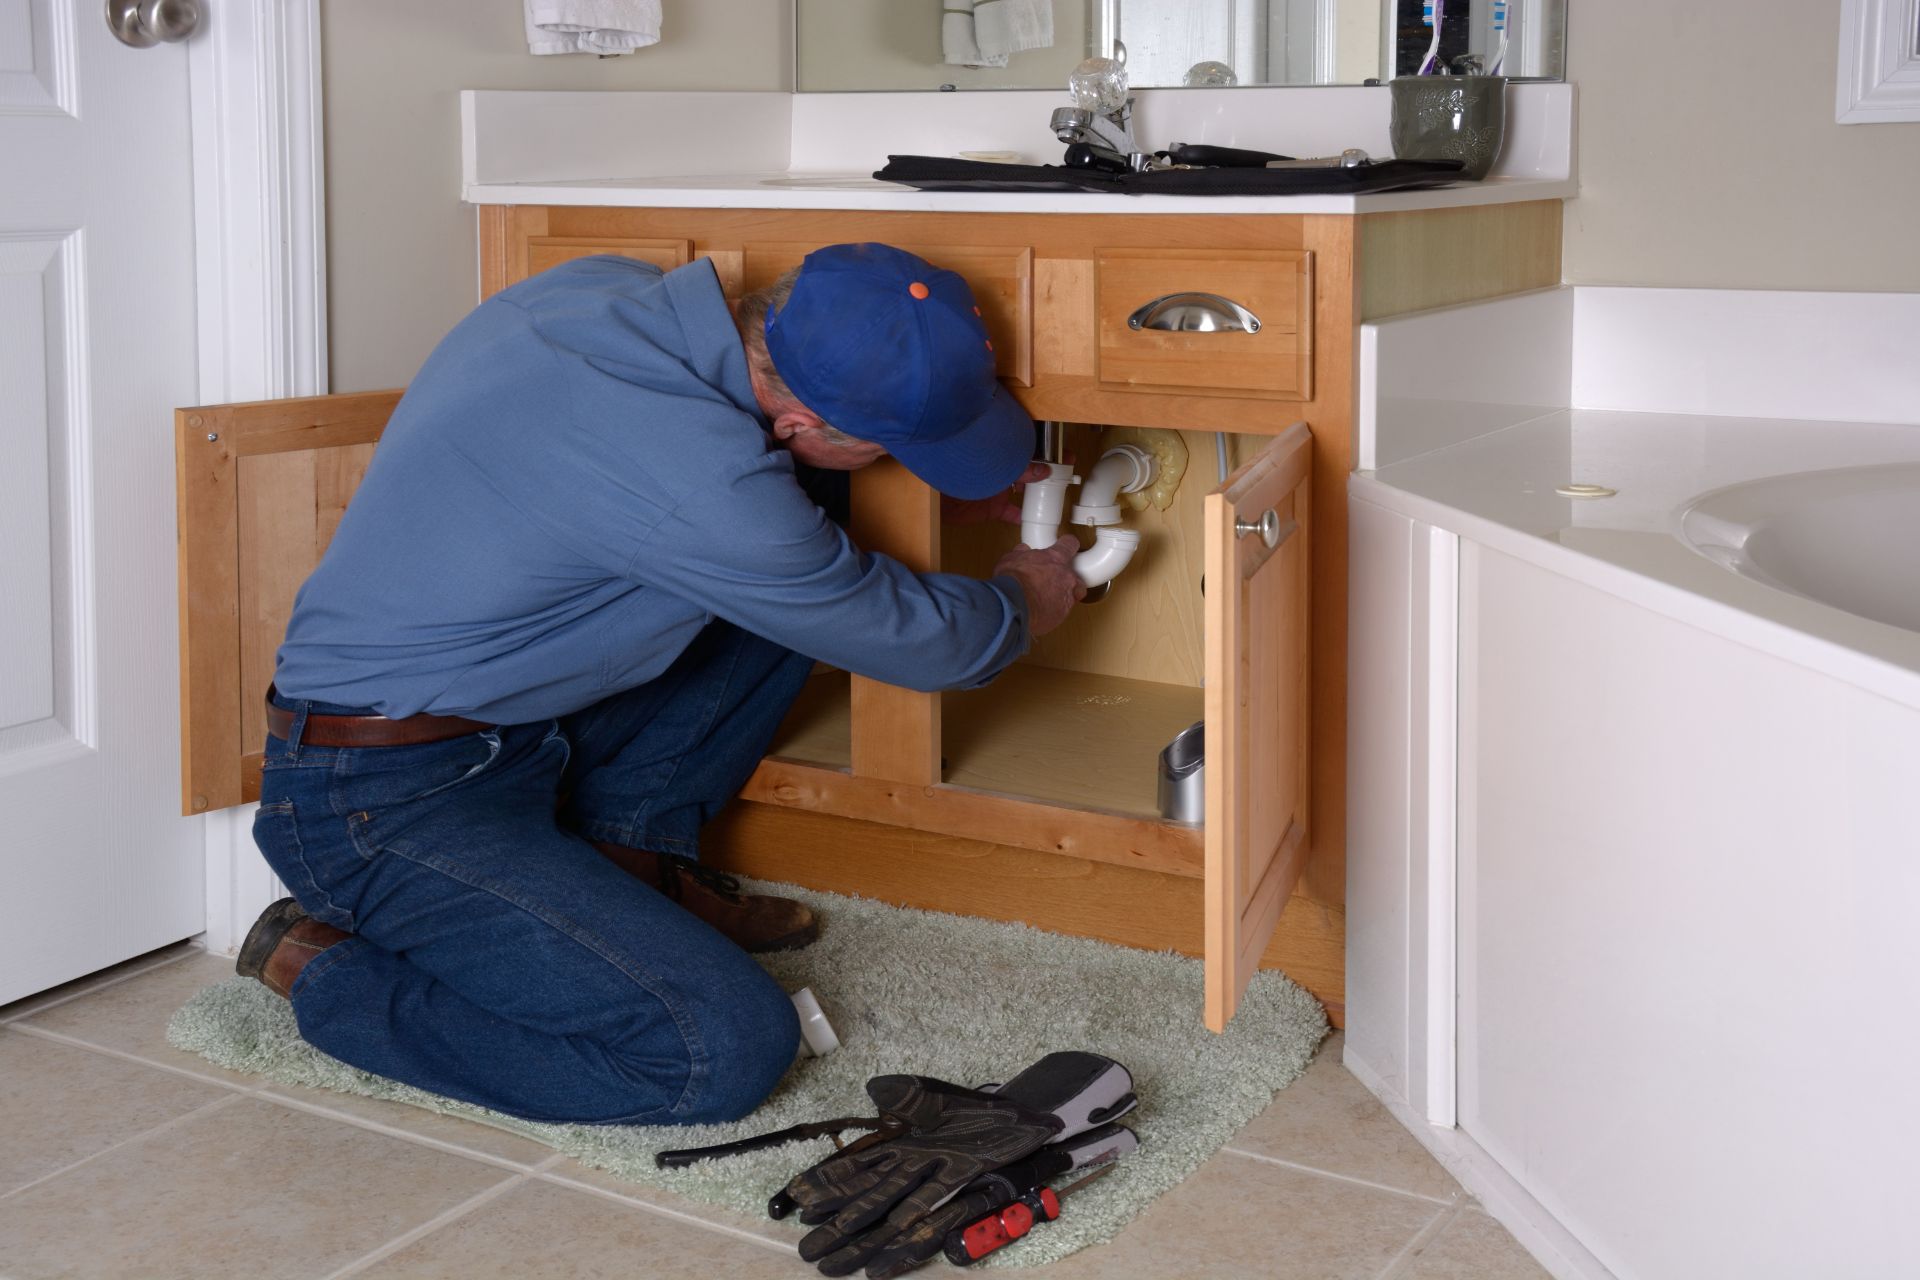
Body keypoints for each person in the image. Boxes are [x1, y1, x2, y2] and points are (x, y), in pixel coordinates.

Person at [233, 243, 1083, 1126]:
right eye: (894, 445)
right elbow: (925, 645)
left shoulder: (599, 289)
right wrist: (1023, 598)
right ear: (800, 421)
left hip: (510, 721)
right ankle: (322, 967)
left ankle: (624, 860)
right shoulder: (703, 480)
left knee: (808, 525)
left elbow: (722, 509)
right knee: (716, 1048)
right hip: (381, 801)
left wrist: (935, 480)